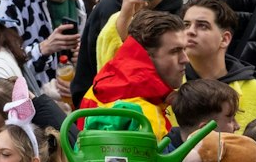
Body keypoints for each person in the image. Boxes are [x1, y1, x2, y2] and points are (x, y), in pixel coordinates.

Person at [80, 8, 186, 137]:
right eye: (175, 51)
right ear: (146, 55)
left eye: (184, 50)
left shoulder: (98, 87)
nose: (185, 59)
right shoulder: (146, 116)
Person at [181, 0, 256, 127]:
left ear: (225, 39)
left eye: (202, 26)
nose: (190, 31)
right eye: (186, 25)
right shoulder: (168, 89)